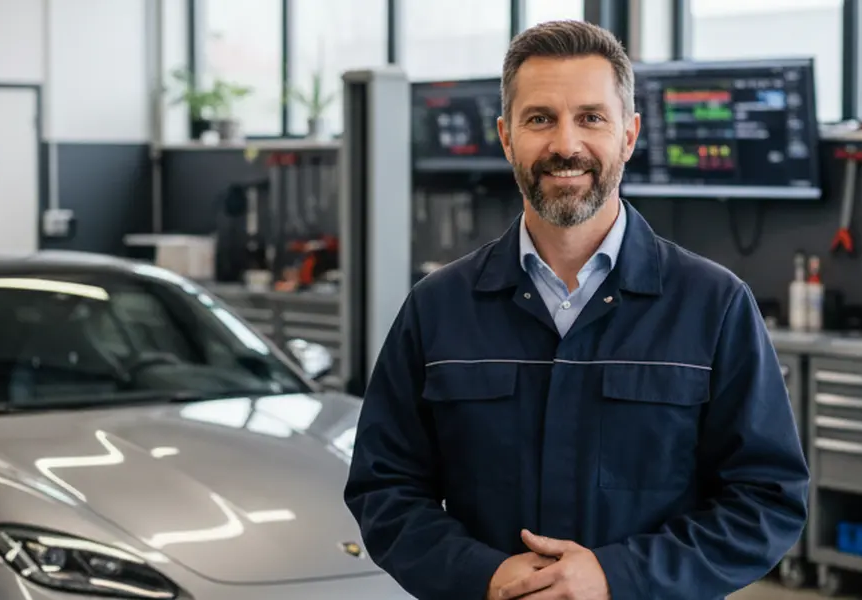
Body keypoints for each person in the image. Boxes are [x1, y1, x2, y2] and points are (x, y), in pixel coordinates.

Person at [344, 19, 809, 600]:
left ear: (630, 135)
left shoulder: (713, 306)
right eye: (540, 119)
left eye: (591, 117)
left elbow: (766, 501)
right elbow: (384, 489)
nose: (566, 145)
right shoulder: (438, 308)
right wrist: (479, 573)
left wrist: (619, 576)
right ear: (507, 137)